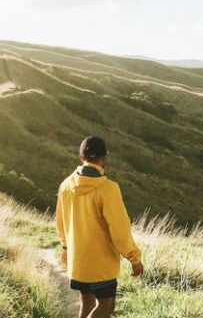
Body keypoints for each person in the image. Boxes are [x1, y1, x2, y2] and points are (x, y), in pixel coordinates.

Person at [56, 136, 143, 318]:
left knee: (86, 303)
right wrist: (134, 258)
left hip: (77, 261)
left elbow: (61, 222)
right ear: (103, 158)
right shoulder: (108, 189)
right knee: (106, 306)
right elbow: (119, 229)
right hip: (101, 264)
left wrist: (65, 247)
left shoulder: (65, 186)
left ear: (81, 157)